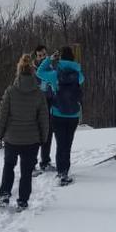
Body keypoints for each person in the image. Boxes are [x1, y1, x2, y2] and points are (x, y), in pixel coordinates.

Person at [0, 53, 50, 209]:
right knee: (26, 172)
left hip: (12, 138)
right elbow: (44, 118)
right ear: (33, 72)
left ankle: (5, 195)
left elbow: (2, 114)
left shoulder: (11, 91)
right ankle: (23, 200)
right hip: (31, 140)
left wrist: (0, 133)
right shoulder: (39, 93)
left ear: (18, 71)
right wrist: (43, 137)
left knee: (9, 166)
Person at [37, 46, 84, 185]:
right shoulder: (78, 75)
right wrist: (76, 66)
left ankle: (61, 172)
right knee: (67, 144)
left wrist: (49, 59)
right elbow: (82, 79)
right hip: (73, 115)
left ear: (61, 58)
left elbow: (39, 72)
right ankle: (65, 171)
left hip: (57, 114)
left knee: (60, 143)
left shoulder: (55, 74)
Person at [31, 45, 56, 174]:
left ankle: (45, 162)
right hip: (37, 106)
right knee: (36, 136)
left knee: (48, 134)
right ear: (36, 56)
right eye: (39, 55)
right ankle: (31, 164)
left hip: (50, 104)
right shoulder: (32, 70)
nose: (42, 57)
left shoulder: (52, 67)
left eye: (44, 55)